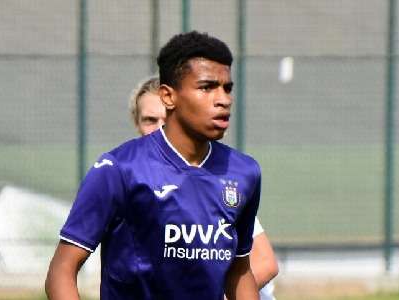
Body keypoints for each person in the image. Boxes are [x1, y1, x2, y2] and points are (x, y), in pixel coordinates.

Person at [45, 31, 261, 300]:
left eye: (227, 88)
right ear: (168, 97)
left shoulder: (244, 172)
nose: (224, 99)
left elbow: (239, 272)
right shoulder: (118, 169)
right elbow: (62, 269)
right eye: (207, 87)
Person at [130, 76, 279, 300]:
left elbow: (265, 263)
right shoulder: (128, 183)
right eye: (150, 120)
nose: (160, 129)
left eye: (167, 118)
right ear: (137, 125)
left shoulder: (211, 180)